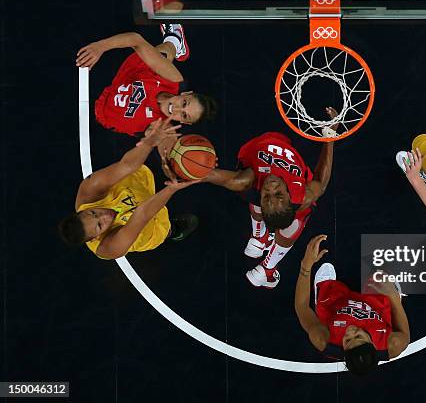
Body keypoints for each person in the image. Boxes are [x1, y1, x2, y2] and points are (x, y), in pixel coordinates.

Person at [198, 108, 337, 288]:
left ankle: (261, 245)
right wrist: (330, 133)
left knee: (253, 186)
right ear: (288, 195)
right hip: (284, 144)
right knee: (299, 215)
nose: (271, 187)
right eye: (278, 193)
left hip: (258, 144)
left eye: (267, 196)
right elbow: (321, 180)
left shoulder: (246, 181)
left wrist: (185, 168)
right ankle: (266, 264)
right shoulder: (302, 196)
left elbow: (208, 175)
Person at [58, 118, 201, 259]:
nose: (105, 216)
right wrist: (172, 189)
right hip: (148, 227)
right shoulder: (108, 248)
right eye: (100, 225)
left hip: (140, 182)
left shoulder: (90, 191)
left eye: (94, 213)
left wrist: (150, 142)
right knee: (164, 230)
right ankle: (174, 230)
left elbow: (126, 165)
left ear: (84, 209)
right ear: (94, 238)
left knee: (154, 167)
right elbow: (142, 214)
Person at [294, 235, 411, 375]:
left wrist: (306, 266)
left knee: (326, 299)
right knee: (381, 278)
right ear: (373, 344)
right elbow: (404, 333)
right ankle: (387, 291)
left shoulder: (322, 340)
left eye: (348, 340)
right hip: (374, 307)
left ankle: (324, 290)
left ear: (343, 350)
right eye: (359, 337)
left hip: (336, 305)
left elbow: (302, 307)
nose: (351, 332)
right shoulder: (394, 344)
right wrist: (393, 298)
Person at [76, 24, 217, 136]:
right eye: (184, 103)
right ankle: (174, 40)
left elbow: (165, 146)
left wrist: (161, 152)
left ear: (184, 123)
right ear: (186, 94)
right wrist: (100, 47)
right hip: (128, 77)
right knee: (161, 55)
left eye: (184, 115)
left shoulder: (161, 129)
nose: (177, 109)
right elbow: (136, 39)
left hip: (104, 117)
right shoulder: (172, 79)